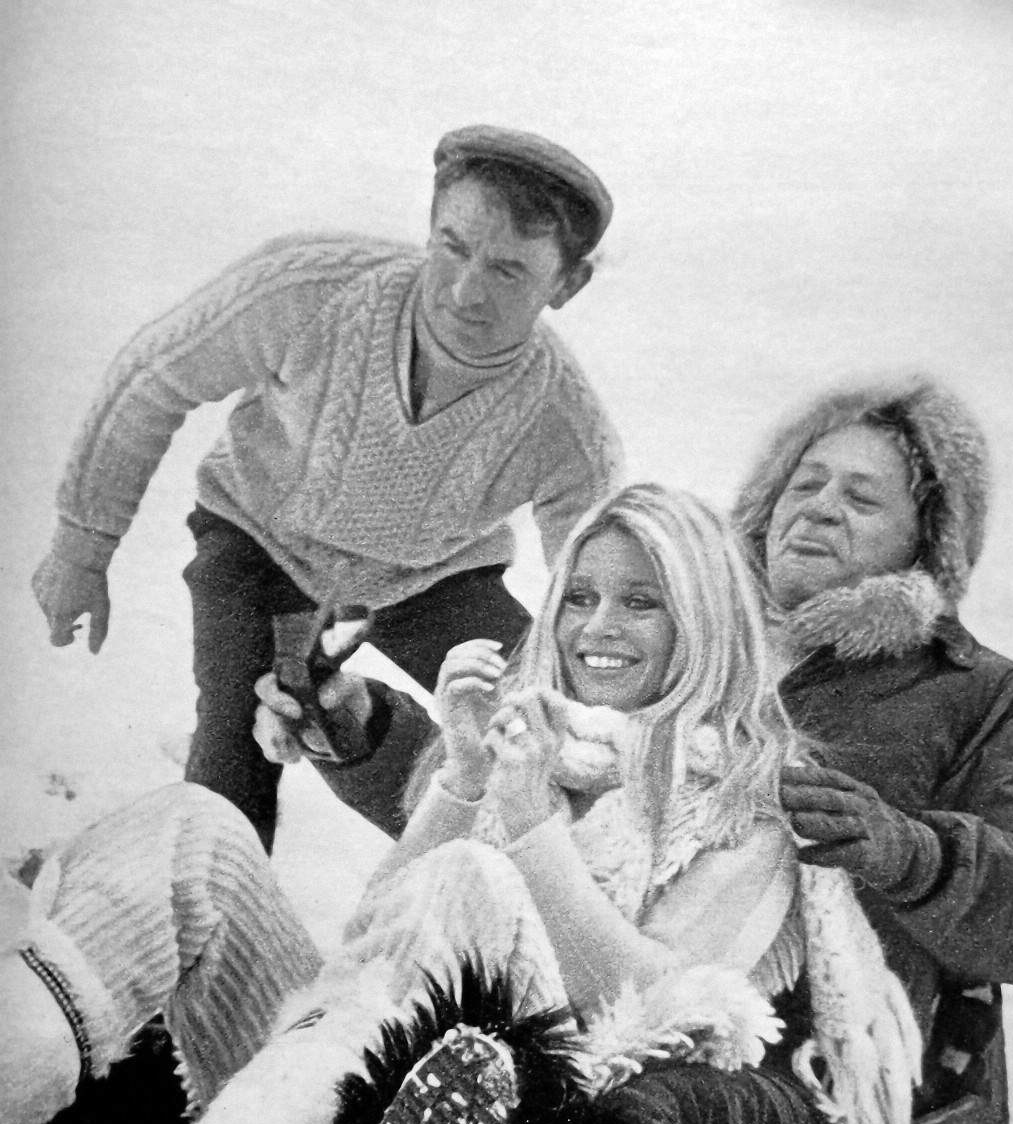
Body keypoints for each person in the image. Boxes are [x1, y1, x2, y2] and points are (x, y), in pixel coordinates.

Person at [4, 484, 918, 1124]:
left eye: (641, 601)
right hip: (331, 1066)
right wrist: (464, 773)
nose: (597, 625)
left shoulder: (750, 805)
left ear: (705, 625)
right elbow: (373, 941)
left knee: (470, 877)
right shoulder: (534, 739)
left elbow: (663, 1009)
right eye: (580, 595)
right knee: (194, 830)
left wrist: (527, 825)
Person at [30, 125, 624, 851]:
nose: (465, 291)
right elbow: (150, 381)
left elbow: (605, 591)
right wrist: (81, 550)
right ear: (430, 225)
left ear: (566, 283)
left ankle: (425, 802)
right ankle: (215, 897)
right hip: (259, 542)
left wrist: (623, 714)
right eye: (452, 246)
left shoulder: (567, 426)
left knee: (548, 743)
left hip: (431, 578)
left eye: (507, 271)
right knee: (234, 759)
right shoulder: (310, 290)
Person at [731, 375, 1013, 1095]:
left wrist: (914, 854)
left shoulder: (965, 689)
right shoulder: (675, 626)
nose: (819, 508)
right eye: (804, 483)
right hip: (625, 984)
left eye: (861, 499)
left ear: (923, 543)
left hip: (811, 1054)